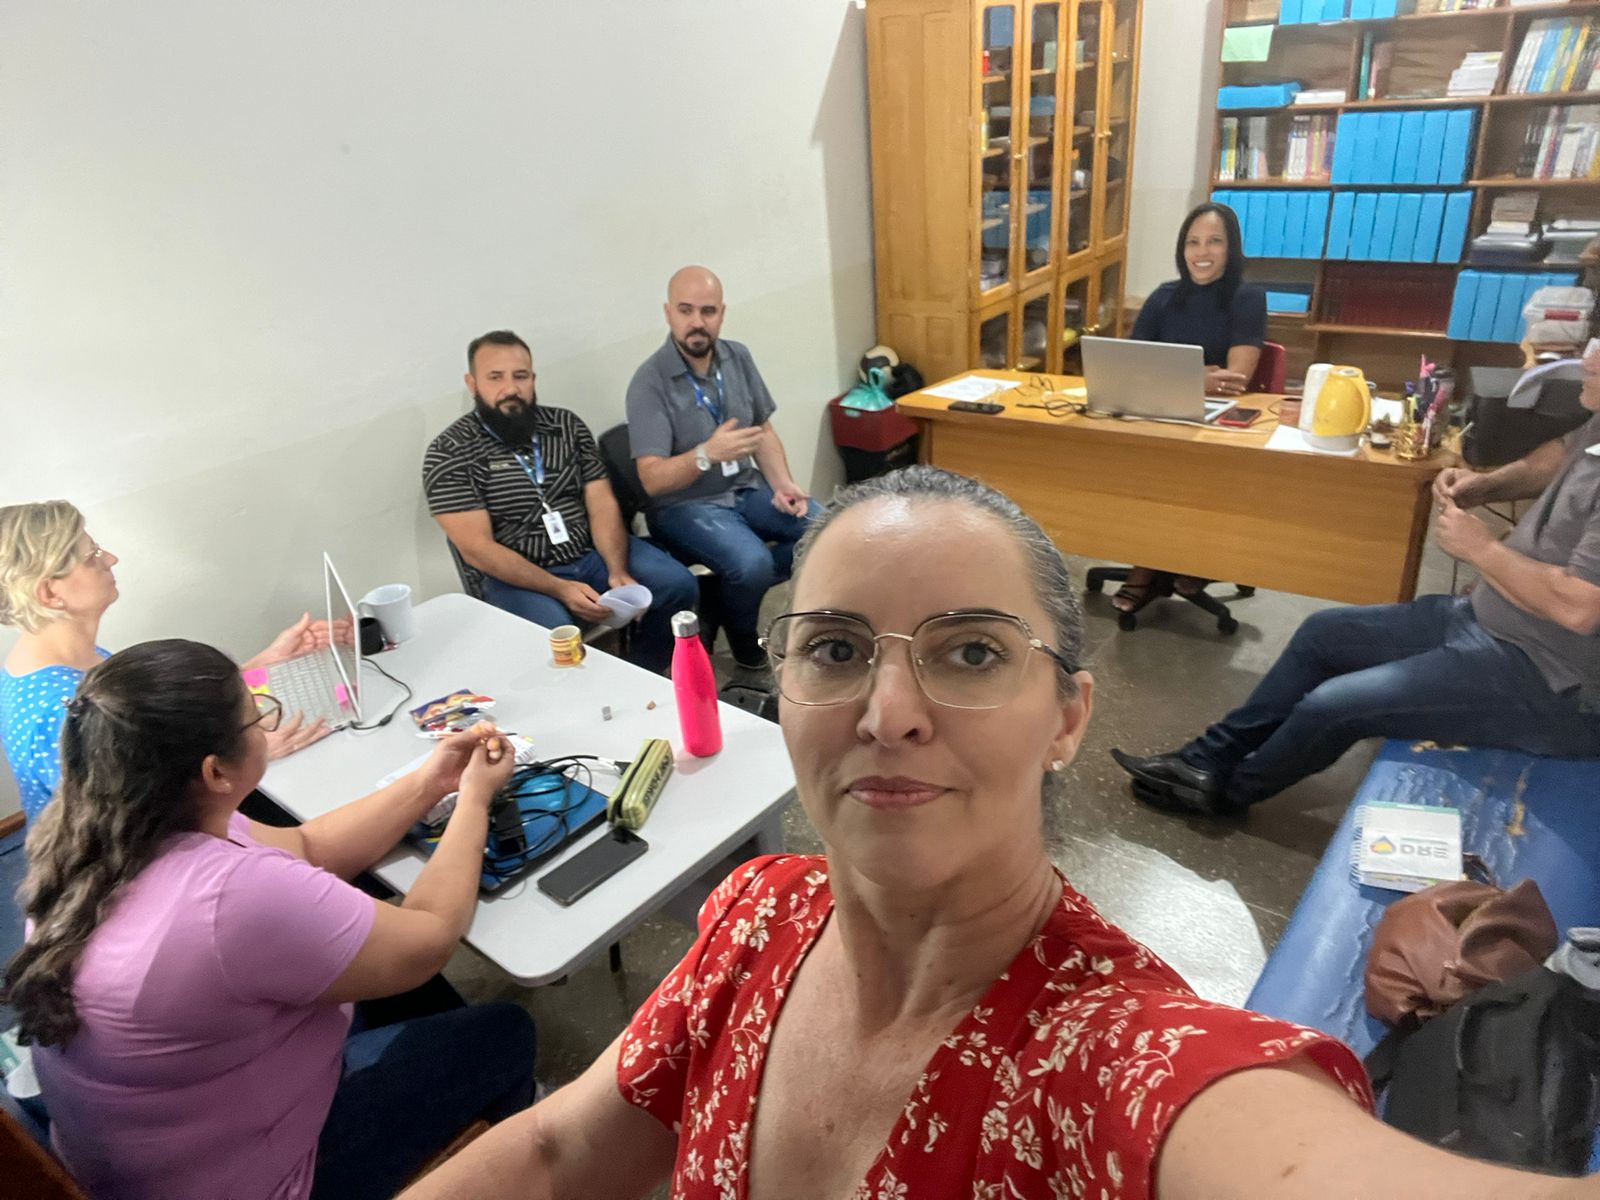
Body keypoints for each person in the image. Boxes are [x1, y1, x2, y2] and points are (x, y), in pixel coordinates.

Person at [399, 467, 1589, 1200]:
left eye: (970, 652)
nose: (888, 713)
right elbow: (556, 1155)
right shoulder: (756, 919)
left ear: (1067, 716)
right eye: (835, 647)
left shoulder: (1115, 1059)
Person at [2, 639, 536, 1200]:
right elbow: (429, 938)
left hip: (142, 1155)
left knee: (373, 964)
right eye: (256, 715)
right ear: (215, 771)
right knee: (503, 1032)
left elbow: (307, 846)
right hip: (257, 1182)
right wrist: (475, 800)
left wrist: (431, 781)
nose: (264, 723)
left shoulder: (104, 835)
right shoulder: (227, 898)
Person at [1112, 338, 1600, 817]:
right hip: (1490, 620)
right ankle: (1204, 761)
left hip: (1551, 681)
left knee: (1334, 706)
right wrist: (1484, 486)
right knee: (1322, 634)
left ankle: (1226, 794)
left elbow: (1579, 607)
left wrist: (1483, 548)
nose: (1588, 359)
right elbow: (1559, 453)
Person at [0, 501, 334, 827]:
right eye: (92, 557)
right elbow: (135, 817)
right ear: (49, 594)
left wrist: (258, 667)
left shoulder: (65, 655)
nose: (111, 559)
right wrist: (241, 757)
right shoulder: (55, 710)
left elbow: (149, 728)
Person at [425, 330, 698, 674]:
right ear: (472, 383)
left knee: (677, 585)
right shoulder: (449, 453)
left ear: (533, 378)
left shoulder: (566, 426)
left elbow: (601, 503)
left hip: (589, 553)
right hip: (516, 577)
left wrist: (616, 569)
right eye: (495, 377)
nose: (510, 388)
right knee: (557, 634)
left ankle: (645, 670)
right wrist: (559, 588)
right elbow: (477, 549)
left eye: (520, 376)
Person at [625, 266, 822, 669]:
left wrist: (784, 484)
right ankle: (744, 637)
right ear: (668, 313)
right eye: (685, 310)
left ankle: (721, 594)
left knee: (823, 527)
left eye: (708, 311)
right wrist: (705, 454)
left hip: (744, 487)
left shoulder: (737, 357)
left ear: (722, 313)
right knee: (752, 564)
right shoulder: (649, 382)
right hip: (683, 506)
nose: (697, 322)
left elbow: (762, 431)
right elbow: (652, 479)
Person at [1113, 202, 1268, 615]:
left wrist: (1169, 374)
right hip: (1160, 413)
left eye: (1214, 241)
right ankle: (1156, 557)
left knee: (1172, 470)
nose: (1202, 252)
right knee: (1132, 465)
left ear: (1231, 248)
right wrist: (1199, 376)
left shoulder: (1247, 297)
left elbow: (1236, 378)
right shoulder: (1163, 297)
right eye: (1193, 242)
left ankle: (1156, 566)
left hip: (1216, 421)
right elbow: (1129, 365)